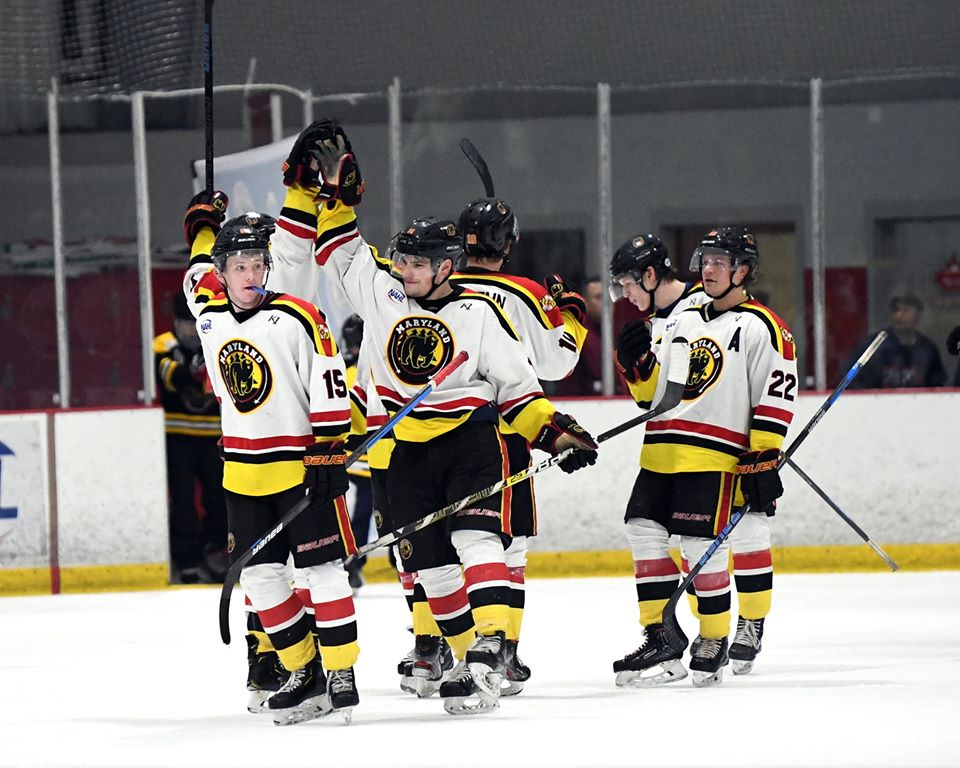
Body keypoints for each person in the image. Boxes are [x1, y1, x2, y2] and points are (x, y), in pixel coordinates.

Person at [286, 118, 598, 715]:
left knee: (476, 538)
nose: (405, 269)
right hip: (408, 452)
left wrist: (557, 434)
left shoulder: (480, 313)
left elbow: (519, 393)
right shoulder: (385, 294)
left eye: (417, 263)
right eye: (403, 259)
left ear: (448, 266)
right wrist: (338, 199)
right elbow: (342, 251)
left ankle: (490, 650)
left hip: (470, 444)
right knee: (431, 567)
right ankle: (461, 659)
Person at [181, 193, 361, 726]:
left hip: (300, 470)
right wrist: (202, 225)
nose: (250, 274)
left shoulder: (299, 316)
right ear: (222, 273)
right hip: (242, 475)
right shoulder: (209, 313)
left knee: (323, 572)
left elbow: (329, 386)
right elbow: (195, 270)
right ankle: (303, 670)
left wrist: (329, 453)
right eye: (238, 266)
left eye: (258, 263)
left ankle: (341, 672)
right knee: (259, 580)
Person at [610, 226, 797, 688]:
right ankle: (660, 636)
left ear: (743, 271)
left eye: (720, 262)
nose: (708, 269)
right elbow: (656, 396)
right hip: (661, 449)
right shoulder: (684, 317)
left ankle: (718, 635)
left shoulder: (763, 327)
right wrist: (636, 366)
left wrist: (762, 457)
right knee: (642, 531)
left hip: (715, 455)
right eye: (706, 260)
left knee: (707, 543)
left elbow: (775, 397)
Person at [449, 196, 587, 695]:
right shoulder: (525, 292)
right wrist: (572, 315)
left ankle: (434, 647)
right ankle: (502, 651)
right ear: (507, 244)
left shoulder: (438, 288)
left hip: (438, 433)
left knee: (443, 548)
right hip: (508, 432)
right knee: (505, 545)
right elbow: (558, 364)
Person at [153, 291, 227, 584]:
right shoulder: (164, 343)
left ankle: (215, 550)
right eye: (185, 324)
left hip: (214, 439)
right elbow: (168, 375)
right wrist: (192, 372)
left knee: (219, 499)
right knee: (183, 502)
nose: (190, 331)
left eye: (194, 324)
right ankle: (187, 559)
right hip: (178, 437)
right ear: (175, 322)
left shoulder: (217, 339)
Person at [339, 314, 373, 592]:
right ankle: (352, 561)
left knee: (362, 513)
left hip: (360, 457)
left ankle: (352, 560)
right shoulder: (354, 373)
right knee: (364, 512)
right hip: (367, 458)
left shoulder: (352, 371)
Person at [848, 293, 947, 389]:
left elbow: (937, 386)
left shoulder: (928, 349)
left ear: (918, 315)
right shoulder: (873, 345)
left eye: (905, 310)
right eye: (896, 310)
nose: (899, 315)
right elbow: (851, 380)